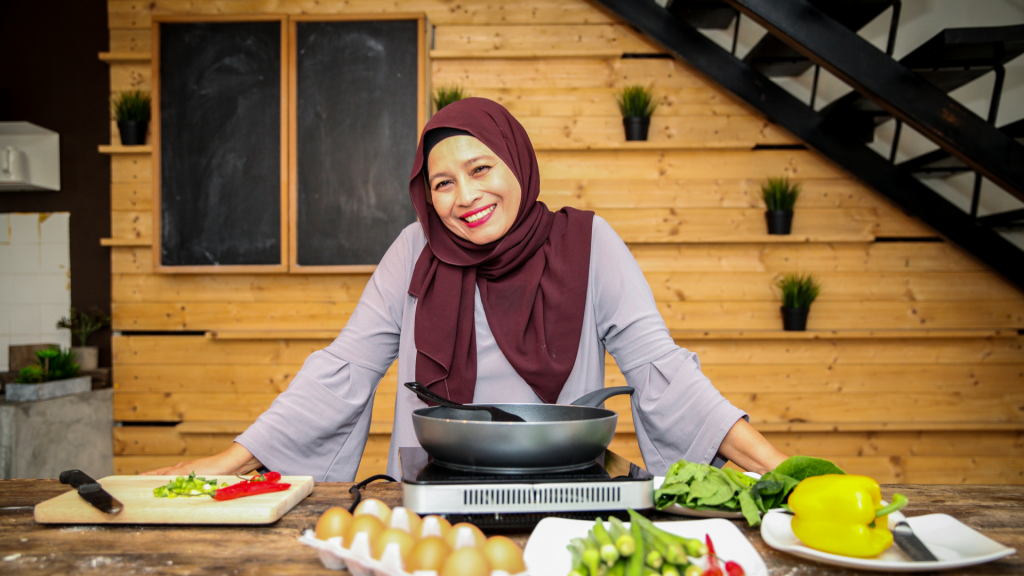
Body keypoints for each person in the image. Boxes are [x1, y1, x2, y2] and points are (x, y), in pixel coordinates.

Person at [143, 98, 787, 480]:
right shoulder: (413, 250)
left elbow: (662, 372)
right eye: (442, 182)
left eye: (481, 169)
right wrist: (226, 460)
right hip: (427, 496)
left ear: (518, 163)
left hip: (563, 490)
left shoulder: (590, 244)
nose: (466, 197)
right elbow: (342, 371)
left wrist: (780, 471)